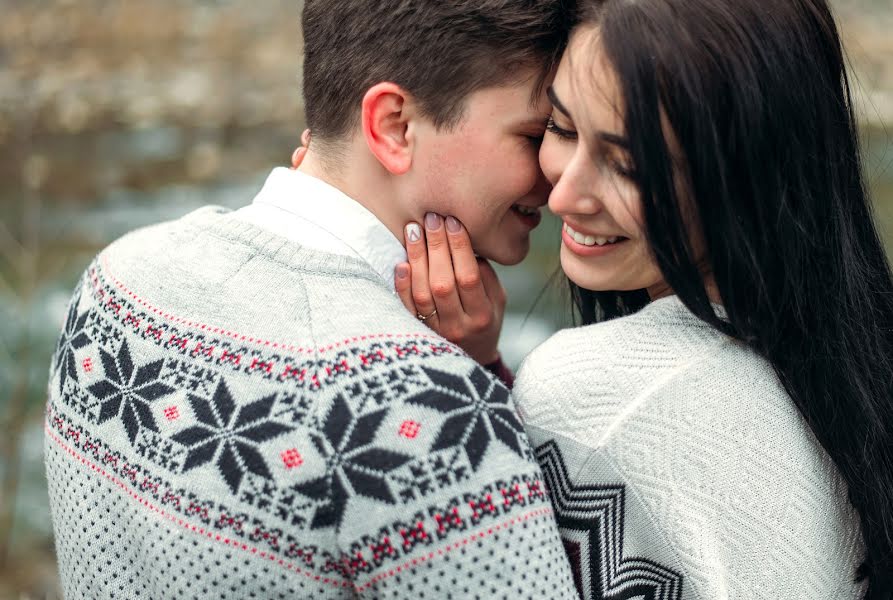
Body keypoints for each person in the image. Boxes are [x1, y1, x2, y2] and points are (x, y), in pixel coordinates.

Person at [44, 1, 581, 598]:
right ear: (393, 126)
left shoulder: (115, 279)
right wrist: (477, 378)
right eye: (537, 134)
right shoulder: (431, 415)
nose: (558, 174)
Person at [394, 0, 893, 597]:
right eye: (560, 128)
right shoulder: (857, 365)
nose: (564, 197)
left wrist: (465, 378)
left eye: (629, 164)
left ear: (746, 172)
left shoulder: (598, 395)